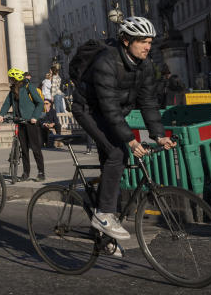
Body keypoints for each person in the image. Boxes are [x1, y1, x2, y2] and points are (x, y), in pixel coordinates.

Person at [70, 16, 174, 241]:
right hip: (88, 109)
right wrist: (131, 140)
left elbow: (148, 102)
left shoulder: (145, 65)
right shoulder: (106, 62)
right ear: (126, 41)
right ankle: (104, 215)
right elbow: (109, 109)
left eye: (149, 41)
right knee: (118, 153)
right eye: (142, 42)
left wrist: (159, 136)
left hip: (113, 112)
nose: (148, 46)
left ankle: (101, 234)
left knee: (113, 168)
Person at [0, 68, 46, 181]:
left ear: (15, 79)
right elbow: (7, 103)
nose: (10, 80)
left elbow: (40, 102)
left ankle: (41, 173)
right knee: (24, 150)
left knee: (35, 148)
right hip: (19, 121)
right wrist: (1, 115)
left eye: (11, 78)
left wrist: (35, 117)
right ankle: (26, 173)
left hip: (30, 122)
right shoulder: (12, 90)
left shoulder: (28, 87)